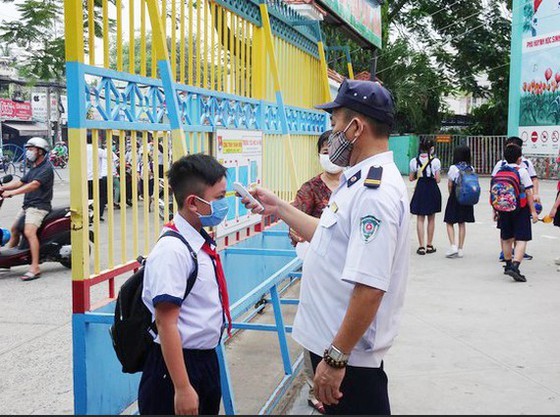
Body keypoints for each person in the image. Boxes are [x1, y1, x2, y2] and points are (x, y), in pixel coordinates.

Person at [241, 79, 409, 415]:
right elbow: (329, 236)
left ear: (355, 127)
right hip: (335, 347)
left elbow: (371, 287)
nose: (330, 136)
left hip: (349, 360)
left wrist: (335, 358)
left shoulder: (374, 193)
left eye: (334, 126)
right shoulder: (358, 180)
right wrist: (280, 208)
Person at [138, 153, 230, 415]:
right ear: (193, 202)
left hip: (203, 359)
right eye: (220, 198)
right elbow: (166, 322)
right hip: (177, 367)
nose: (225, 205)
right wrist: (182, 387)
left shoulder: (197, 241)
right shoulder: (172, 252)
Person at [289, 129, 342, 414]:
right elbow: (294, 224)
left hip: (346, 275)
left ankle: (337, 383)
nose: (329, 155)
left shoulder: (354, 186)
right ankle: (316, 388)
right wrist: (298, 233)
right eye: (325, 150)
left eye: (335, 149)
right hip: (318, 271)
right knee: (316, 328)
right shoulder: (309, 189)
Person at [0, 137, 54, 281]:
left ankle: (35, 267)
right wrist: (3, 188)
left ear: (40, 151)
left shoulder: (46, 168)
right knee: (14, 229)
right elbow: (21, 182)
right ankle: (8, 261)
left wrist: (12, 193)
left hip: (39, 206)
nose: (28, 152)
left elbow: (34, 185)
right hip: (28, 206)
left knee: (29, 232)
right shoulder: (34, 168)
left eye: (31, 149)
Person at [495, 144, 538, 282]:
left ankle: (507, 264)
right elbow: (529, 193)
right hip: (520, 209)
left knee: (506, 237)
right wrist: (533, 211)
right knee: (522, 239)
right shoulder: (522, 171)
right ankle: (515, 266)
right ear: (520, 158)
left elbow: (495, 192)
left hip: (503, 208)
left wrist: (495, 210)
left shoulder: (500, 171)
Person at [409, 138, 442, 255]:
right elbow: (438, 179)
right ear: (431, 148)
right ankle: (429, 244)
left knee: (420, 218)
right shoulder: (435, 161)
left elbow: (411, 178)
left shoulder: (414, 161)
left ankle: (421, 246)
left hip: (420, 188)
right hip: (431, 188)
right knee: (431, 217)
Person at [444, 145, 475, 258]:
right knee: (462, 223)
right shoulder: (471, 168)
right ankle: (461, 248)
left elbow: (450, 184)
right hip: (466, 198)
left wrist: (451, 194)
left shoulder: (453, 168)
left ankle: (453, 245)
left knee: (449, 221)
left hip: (455, 197)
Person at [86, 132, 108, 221]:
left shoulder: (81, 149)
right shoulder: (97, 150)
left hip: (85, 178)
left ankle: (89, 215)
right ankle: (98, 215)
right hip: (96, 178)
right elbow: (108, 156)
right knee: (101, 197)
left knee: (88, 198)